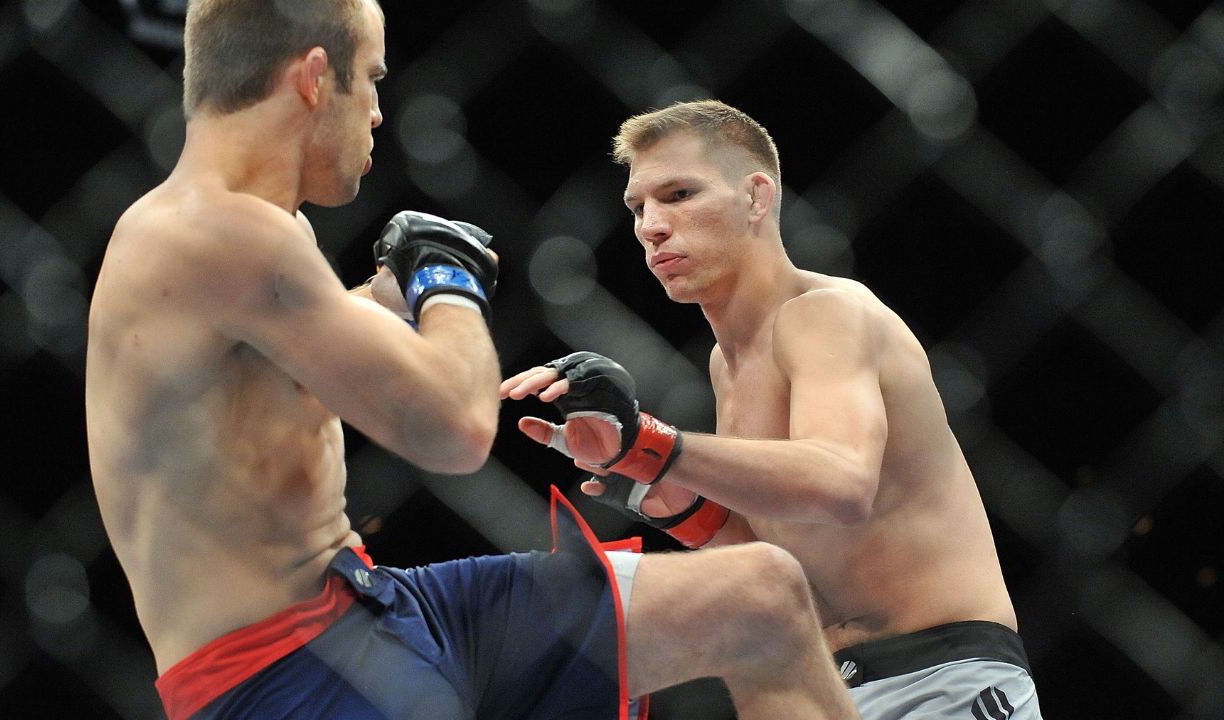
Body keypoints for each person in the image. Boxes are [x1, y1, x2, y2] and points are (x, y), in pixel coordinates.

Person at [86, 3, 859, 718]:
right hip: (283, 680)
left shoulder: (237, 232)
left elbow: (277, 373)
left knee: (763, 598)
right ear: (315, 79)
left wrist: (385, 296)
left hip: (374, 607)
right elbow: (454, 431)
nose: (378, 112)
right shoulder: (216, 234)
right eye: (372, 81)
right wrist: (446, 284)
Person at [502, 100, 1043, 720]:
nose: (652, 225)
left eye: (679, 195)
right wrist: (672, 498)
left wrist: (657, 444)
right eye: (638, 207)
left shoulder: (826, 314)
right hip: (829, 689)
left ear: (756, 197)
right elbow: (785, 555)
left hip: (942, 676)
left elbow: (841, 484)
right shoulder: (725, 363)